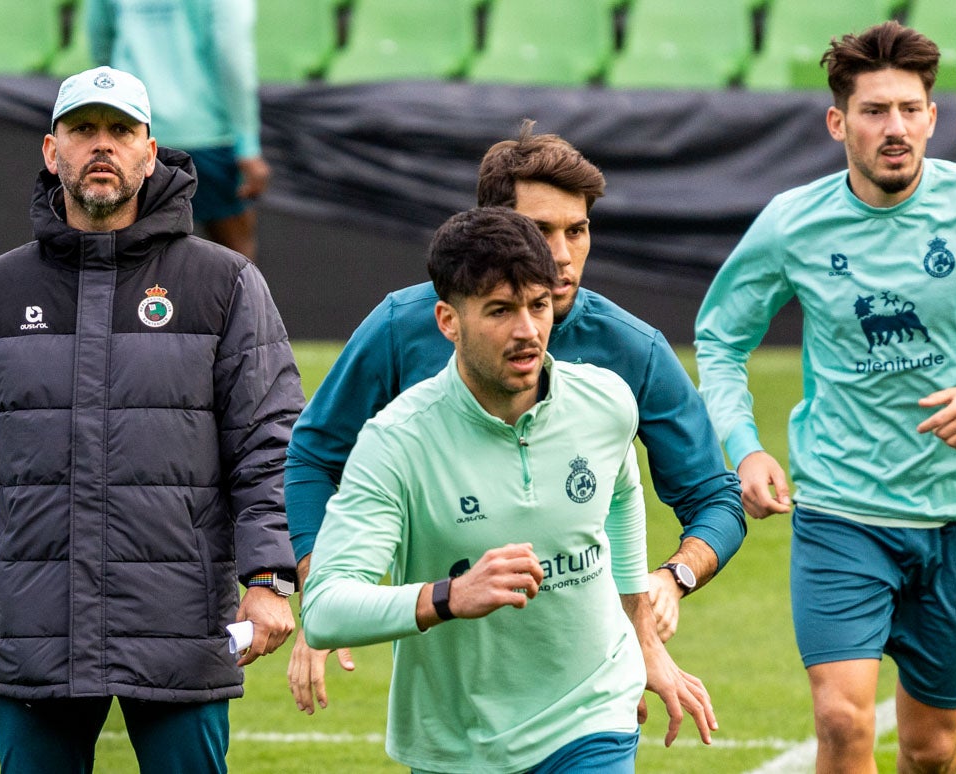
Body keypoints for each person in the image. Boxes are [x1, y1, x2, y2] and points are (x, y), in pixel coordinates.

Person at [695, 21, 956, 773]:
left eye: (910, 110)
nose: (895, 128)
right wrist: (743, 448)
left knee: (930, 750)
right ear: (836, 122)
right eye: (875, 111)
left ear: (932, 118)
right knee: (840, 721)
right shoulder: (793, 222)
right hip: (839, 508)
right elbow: (719, 339)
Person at [0, 66, 304, 773]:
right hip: (37, 631)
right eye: (82, 130)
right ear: (52, 151)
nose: (100, 145)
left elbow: (268, 446)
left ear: (150, 150)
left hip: (179, 631)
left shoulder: (224, 285)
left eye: (119, 130)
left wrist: (268, 579)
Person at [284, 121, 747, 713]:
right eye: (540, 230)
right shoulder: (405, 325)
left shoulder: (634, 350)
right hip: (454, 679)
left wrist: (667, 583)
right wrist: (324, 583)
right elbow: (315, 456)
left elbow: (716, 499)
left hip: (590, 670)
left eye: (577, 230)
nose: (561, 255)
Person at [87, 0, 271, 260]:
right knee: (238, 265)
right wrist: (248, 146)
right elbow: (232, 52)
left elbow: (100, 42)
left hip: (132, 133)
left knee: (128, 264)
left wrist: (119, 113)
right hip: (208, 137)